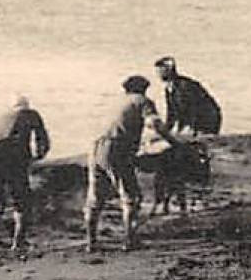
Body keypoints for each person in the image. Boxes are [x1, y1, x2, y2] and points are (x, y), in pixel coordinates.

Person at [84, 75, 181, 252]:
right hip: (117, 148)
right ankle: (130, 240)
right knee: (131, 197)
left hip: (95, 147)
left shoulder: (116, 102)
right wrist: (173, 141)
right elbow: (155, 123)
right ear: (143, 88)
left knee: (95, 197)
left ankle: (91, 242)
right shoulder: (142, 101)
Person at [0, 95, 51, 252]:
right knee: (22, 200)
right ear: (26, 106)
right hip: (12, 154)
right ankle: (19, 242)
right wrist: (37, 157)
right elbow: (42, 139)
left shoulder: (3, 117)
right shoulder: (31, 114)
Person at [154, 56, 223, 135]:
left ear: (169, 70)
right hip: (194, 121)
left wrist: (191, 128)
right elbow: (172, 113)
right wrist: (166, 130)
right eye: (157, 71)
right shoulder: (169, 88)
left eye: (161, 70)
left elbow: (193, 108)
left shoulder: (185, 86)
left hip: (207, 120)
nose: (158, 74)